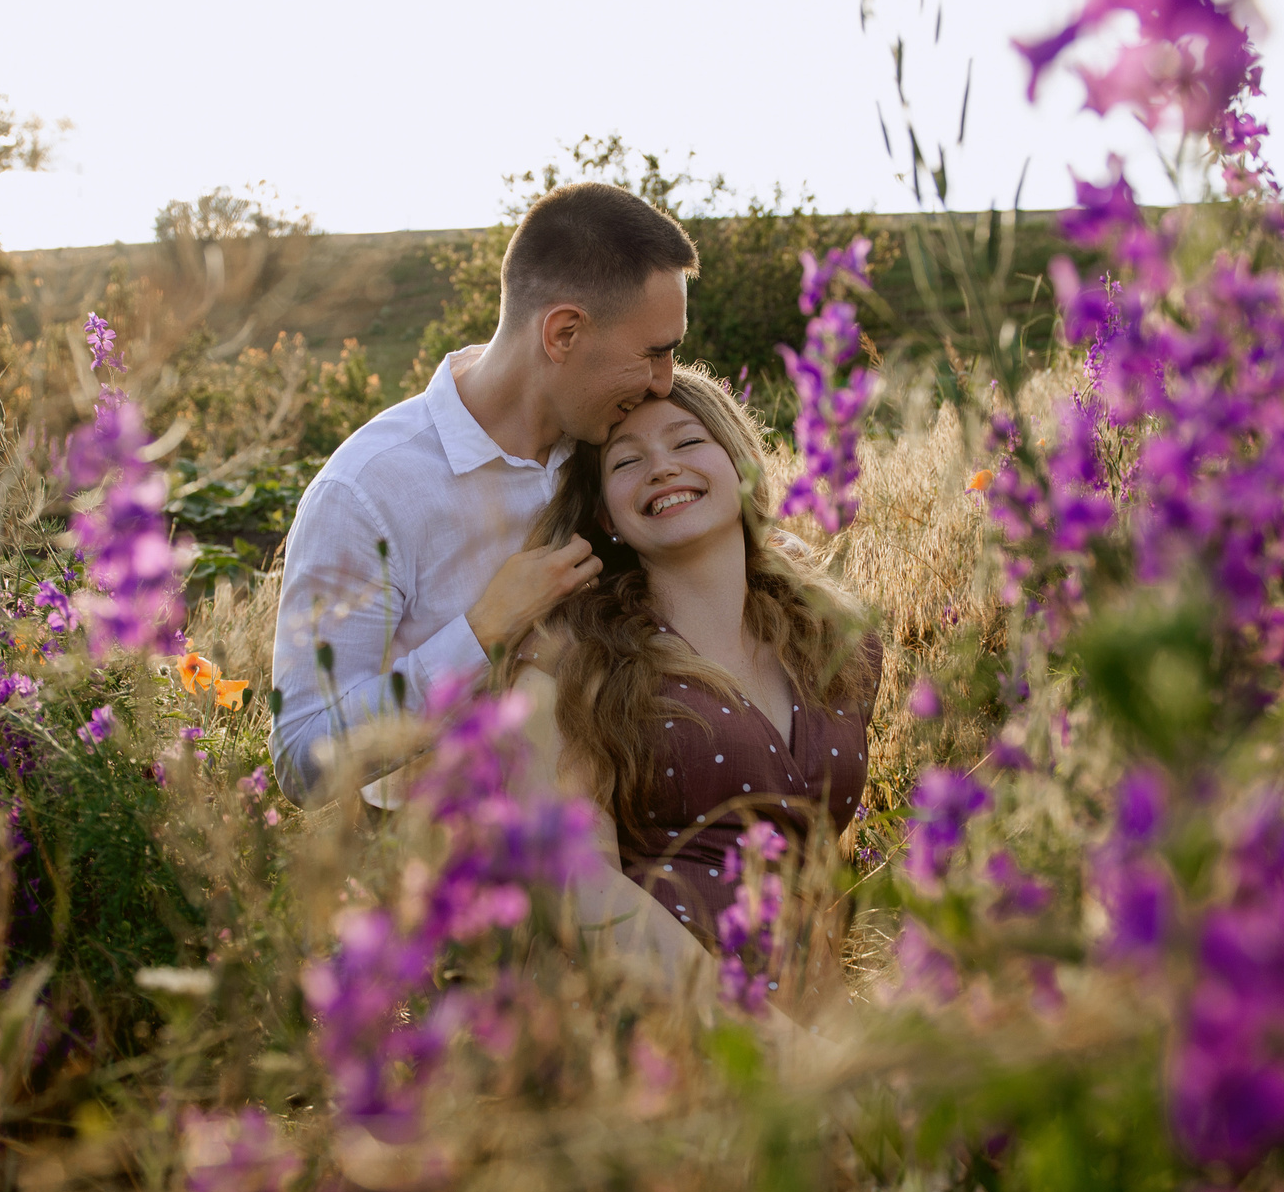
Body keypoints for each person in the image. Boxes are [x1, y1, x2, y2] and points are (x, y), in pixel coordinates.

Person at [269, 182, 696, 804]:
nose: (666, 384)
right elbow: (302, 760)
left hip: (637, 830)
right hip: (450, 868)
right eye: (656, 354)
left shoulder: (625, 447)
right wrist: (481, 633)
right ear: (564, 334)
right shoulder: (367, 491)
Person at [520, 364, 881, 1023]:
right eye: (627, 460)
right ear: (606, 514)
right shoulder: (575, 658)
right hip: (665, 1034)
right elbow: (580, 885)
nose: (662, 467)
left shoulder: (837, 640)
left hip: (819, 1030)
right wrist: (762, 1042)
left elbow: (817, 859)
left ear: (741, 463)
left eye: (687, 443)